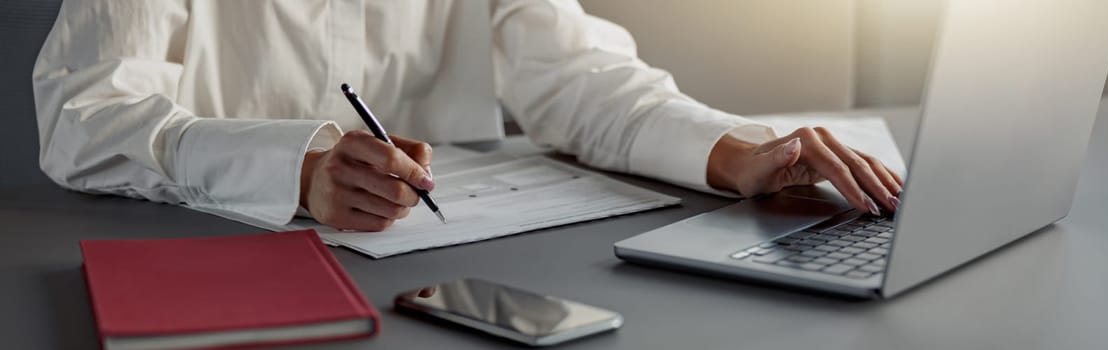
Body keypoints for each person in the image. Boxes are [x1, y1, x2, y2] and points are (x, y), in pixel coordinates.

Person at [33, 1, 902, 232]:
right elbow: (83, 116)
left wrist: (735, 152)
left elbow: (576, 77)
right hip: (224, 255)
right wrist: (295, 168)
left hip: (449, 270)